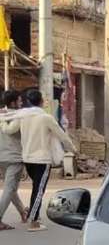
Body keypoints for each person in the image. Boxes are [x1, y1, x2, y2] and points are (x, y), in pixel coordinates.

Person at [1, 88, 74, 231]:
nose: (21, 103)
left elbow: (9, 130)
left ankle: (28, 214)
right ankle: (33, 221)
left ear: (28, 101)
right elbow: (62, 135)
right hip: (35, 159)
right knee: (36, 190)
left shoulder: (18, 117)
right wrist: (73, 149)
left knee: (23, 189)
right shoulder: (44, 117)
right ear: (41, 102)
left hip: (25, 158)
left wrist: (2, 120)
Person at [0, 90, 28, 230]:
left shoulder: (1, 114)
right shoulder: (18, 116)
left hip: (1, 157)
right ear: (13, 103)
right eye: (19, 100)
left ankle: (23, 212)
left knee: (12, 188)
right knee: (10, 188)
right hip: (14, 157)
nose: (22, 102)